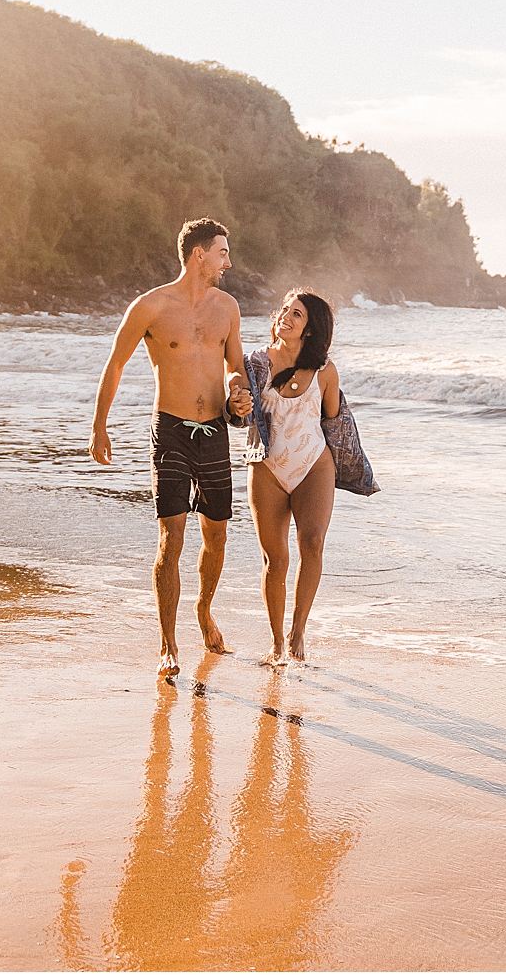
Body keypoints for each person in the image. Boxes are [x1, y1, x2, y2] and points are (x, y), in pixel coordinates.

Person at [91, 218, 254, 677]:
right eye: (222, 252)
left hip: (216, 429)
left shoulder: (228, 307)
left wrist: (238, 392)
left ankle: (204, 610)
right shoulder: (150, 306)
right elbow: (116, 364)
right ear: (198, 254)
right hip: (172, 431)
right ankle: (168, 642)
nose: (229, 261)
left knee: (217, 536)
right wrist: (99, 426)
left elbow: (236, 366)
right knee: (173, 536)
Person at [236, 288, 375, 665]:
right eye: (284, 310)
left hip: (314, 463)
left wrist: (352, 468)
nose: (286, 316)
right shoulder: (255, 363)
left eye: (296, 314)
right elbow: (236, 410)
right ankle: (276, 640)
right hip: (267, 466)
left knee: (312, 543)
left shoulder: (325, 372)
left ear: (310, 328)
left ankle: (298, 630)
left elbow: (334, 421)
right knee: (275, 560)